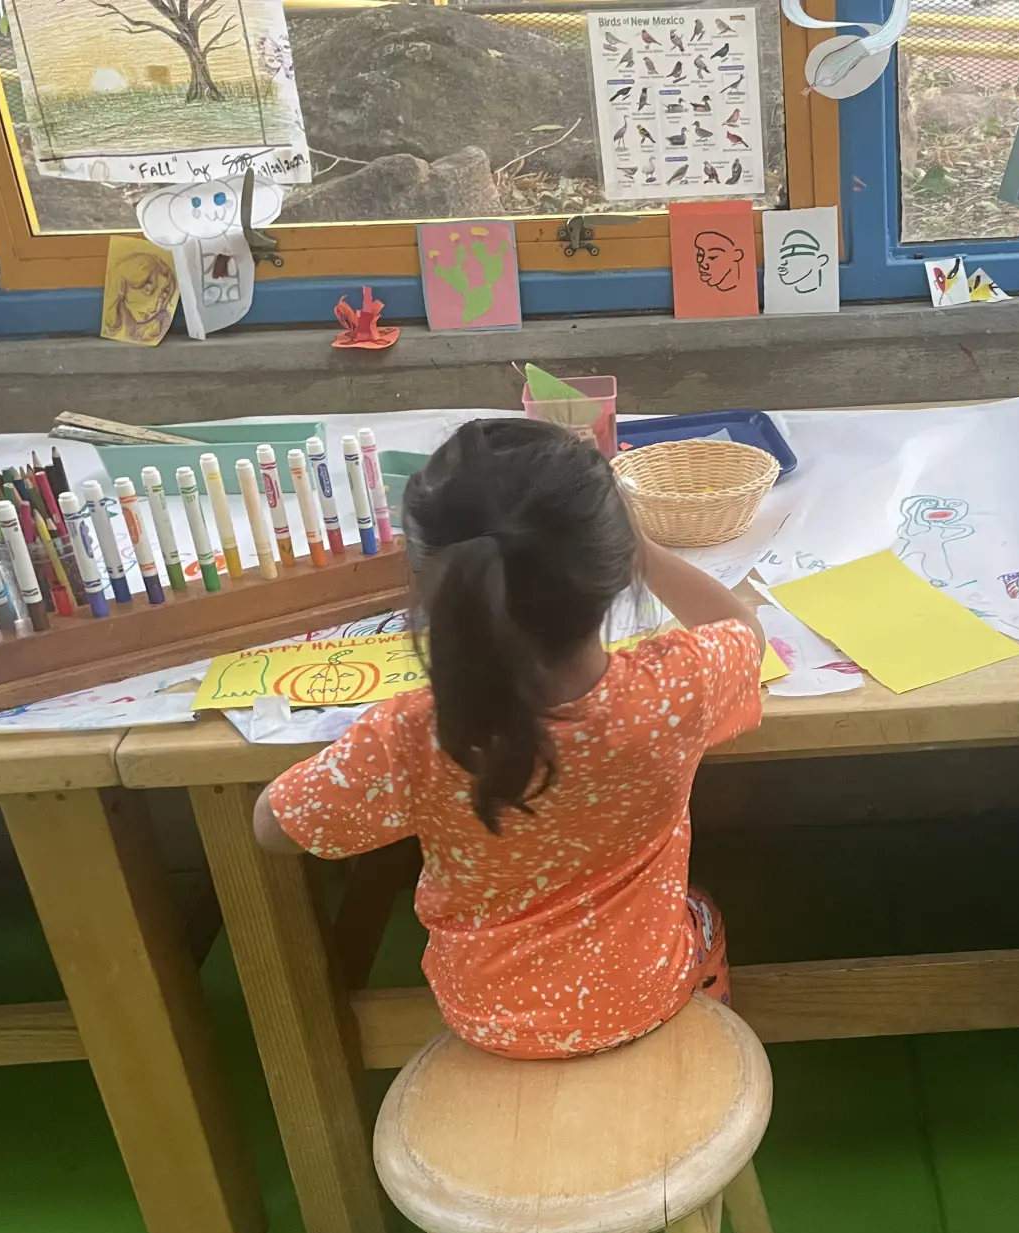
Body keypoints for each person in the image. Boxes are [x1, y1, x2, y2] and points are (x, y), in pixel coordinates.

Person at [254, 418, 765, 1059]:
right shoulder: (674, 688)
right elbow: (746, 634)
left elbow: (272, 827)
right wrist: (645, 550)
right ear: (610, 568)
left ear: (436, 590)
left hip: (487, 1017)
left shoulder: (413, 734)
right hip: (646, 993)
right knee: (704, 908)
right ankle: (702, 1019)